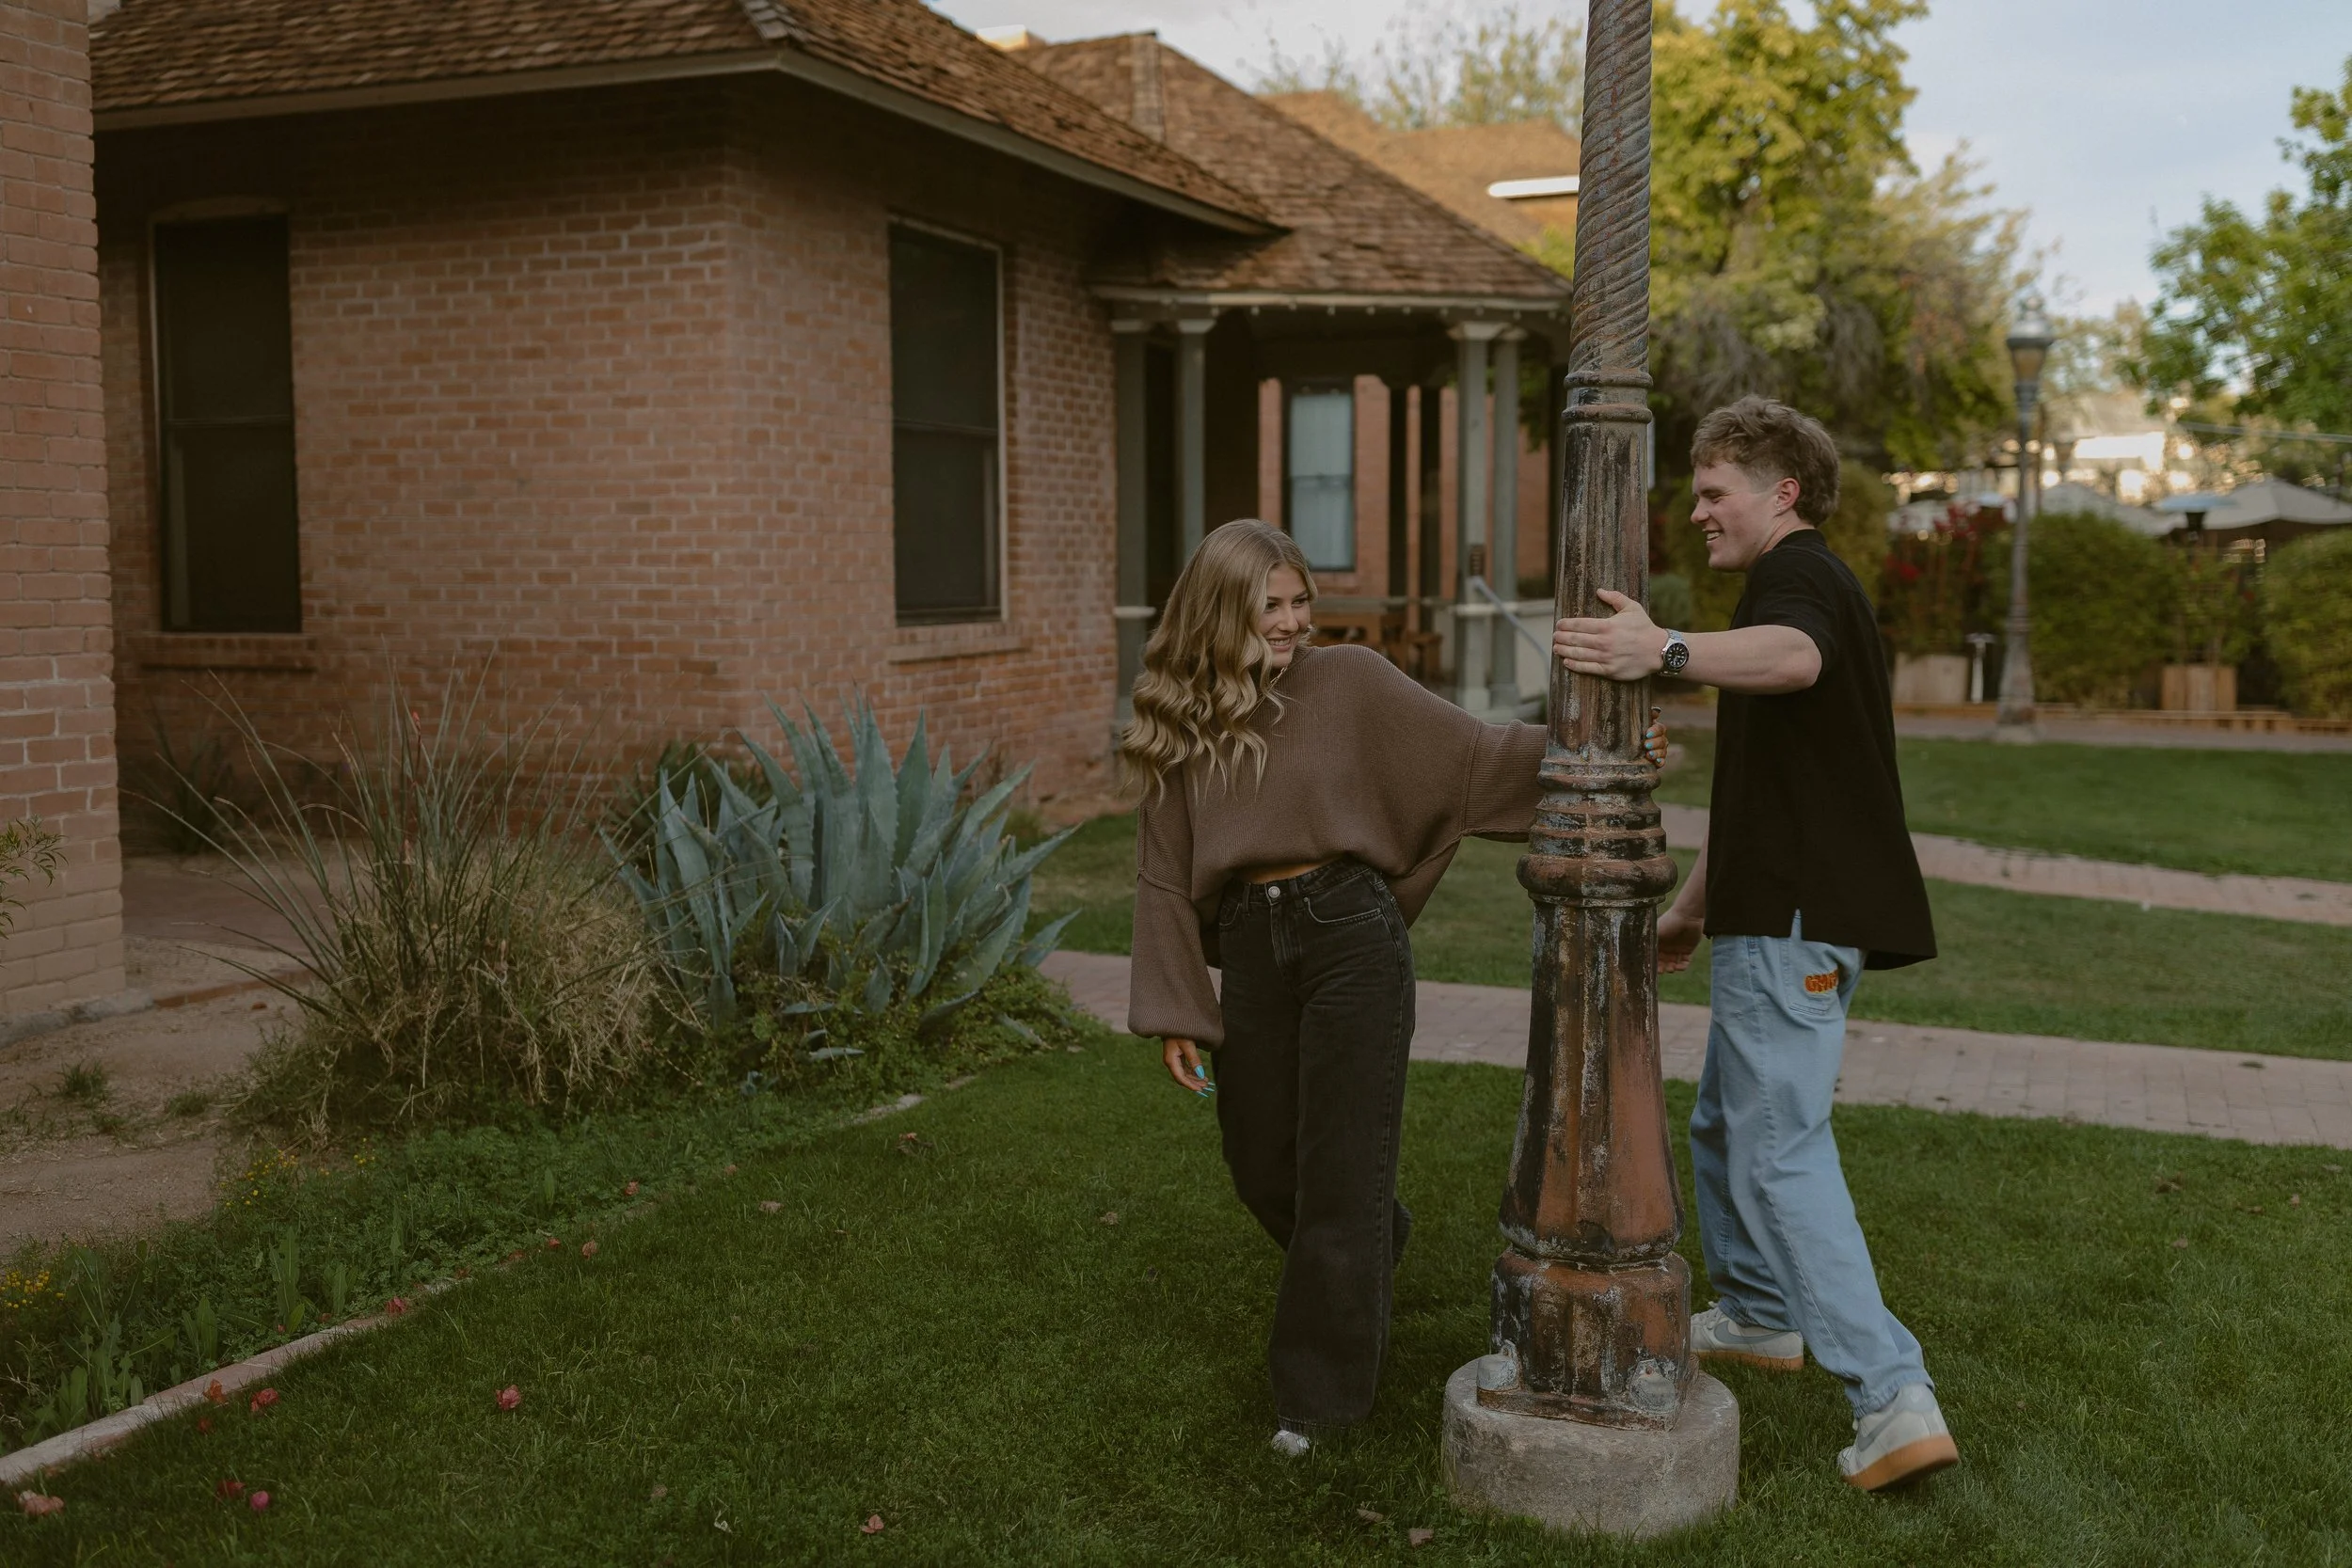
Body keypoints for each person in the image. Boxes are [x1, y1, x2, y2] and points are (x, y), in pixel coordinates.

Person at [1122, 518, 1661, 1456]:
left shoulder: (1352, 682)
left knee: (1336, 1168)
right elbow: (1163, 872)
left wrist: (1607, 742)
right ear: (1218, 611)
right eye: (1269, 607)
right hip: (1251, 945)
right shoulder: (1184, 715)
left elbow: (1474, 756)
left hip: (1348, 936)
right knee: (1260, 1158)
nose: (1290, 623)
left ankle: (1315, 1402)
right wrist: (1177, 1005)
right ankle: (1370, 1237)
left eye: (1298, 602)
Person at [1552, 395, 1957, 1492]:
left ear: (1780, 492)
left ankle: (1890, 1394)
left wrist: (1659, 647)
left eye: (1714, 491)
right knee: (1729, 1120)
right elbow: (1761, 790)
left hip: (1796, 928)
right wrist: (1690, 910)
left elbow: (1794, 660)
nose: (1697, 513)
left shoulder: (1798, 580)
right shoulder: (1788, 587)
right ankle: (1766, 1314)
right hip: (1772, 913)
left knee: (1780, 1149)